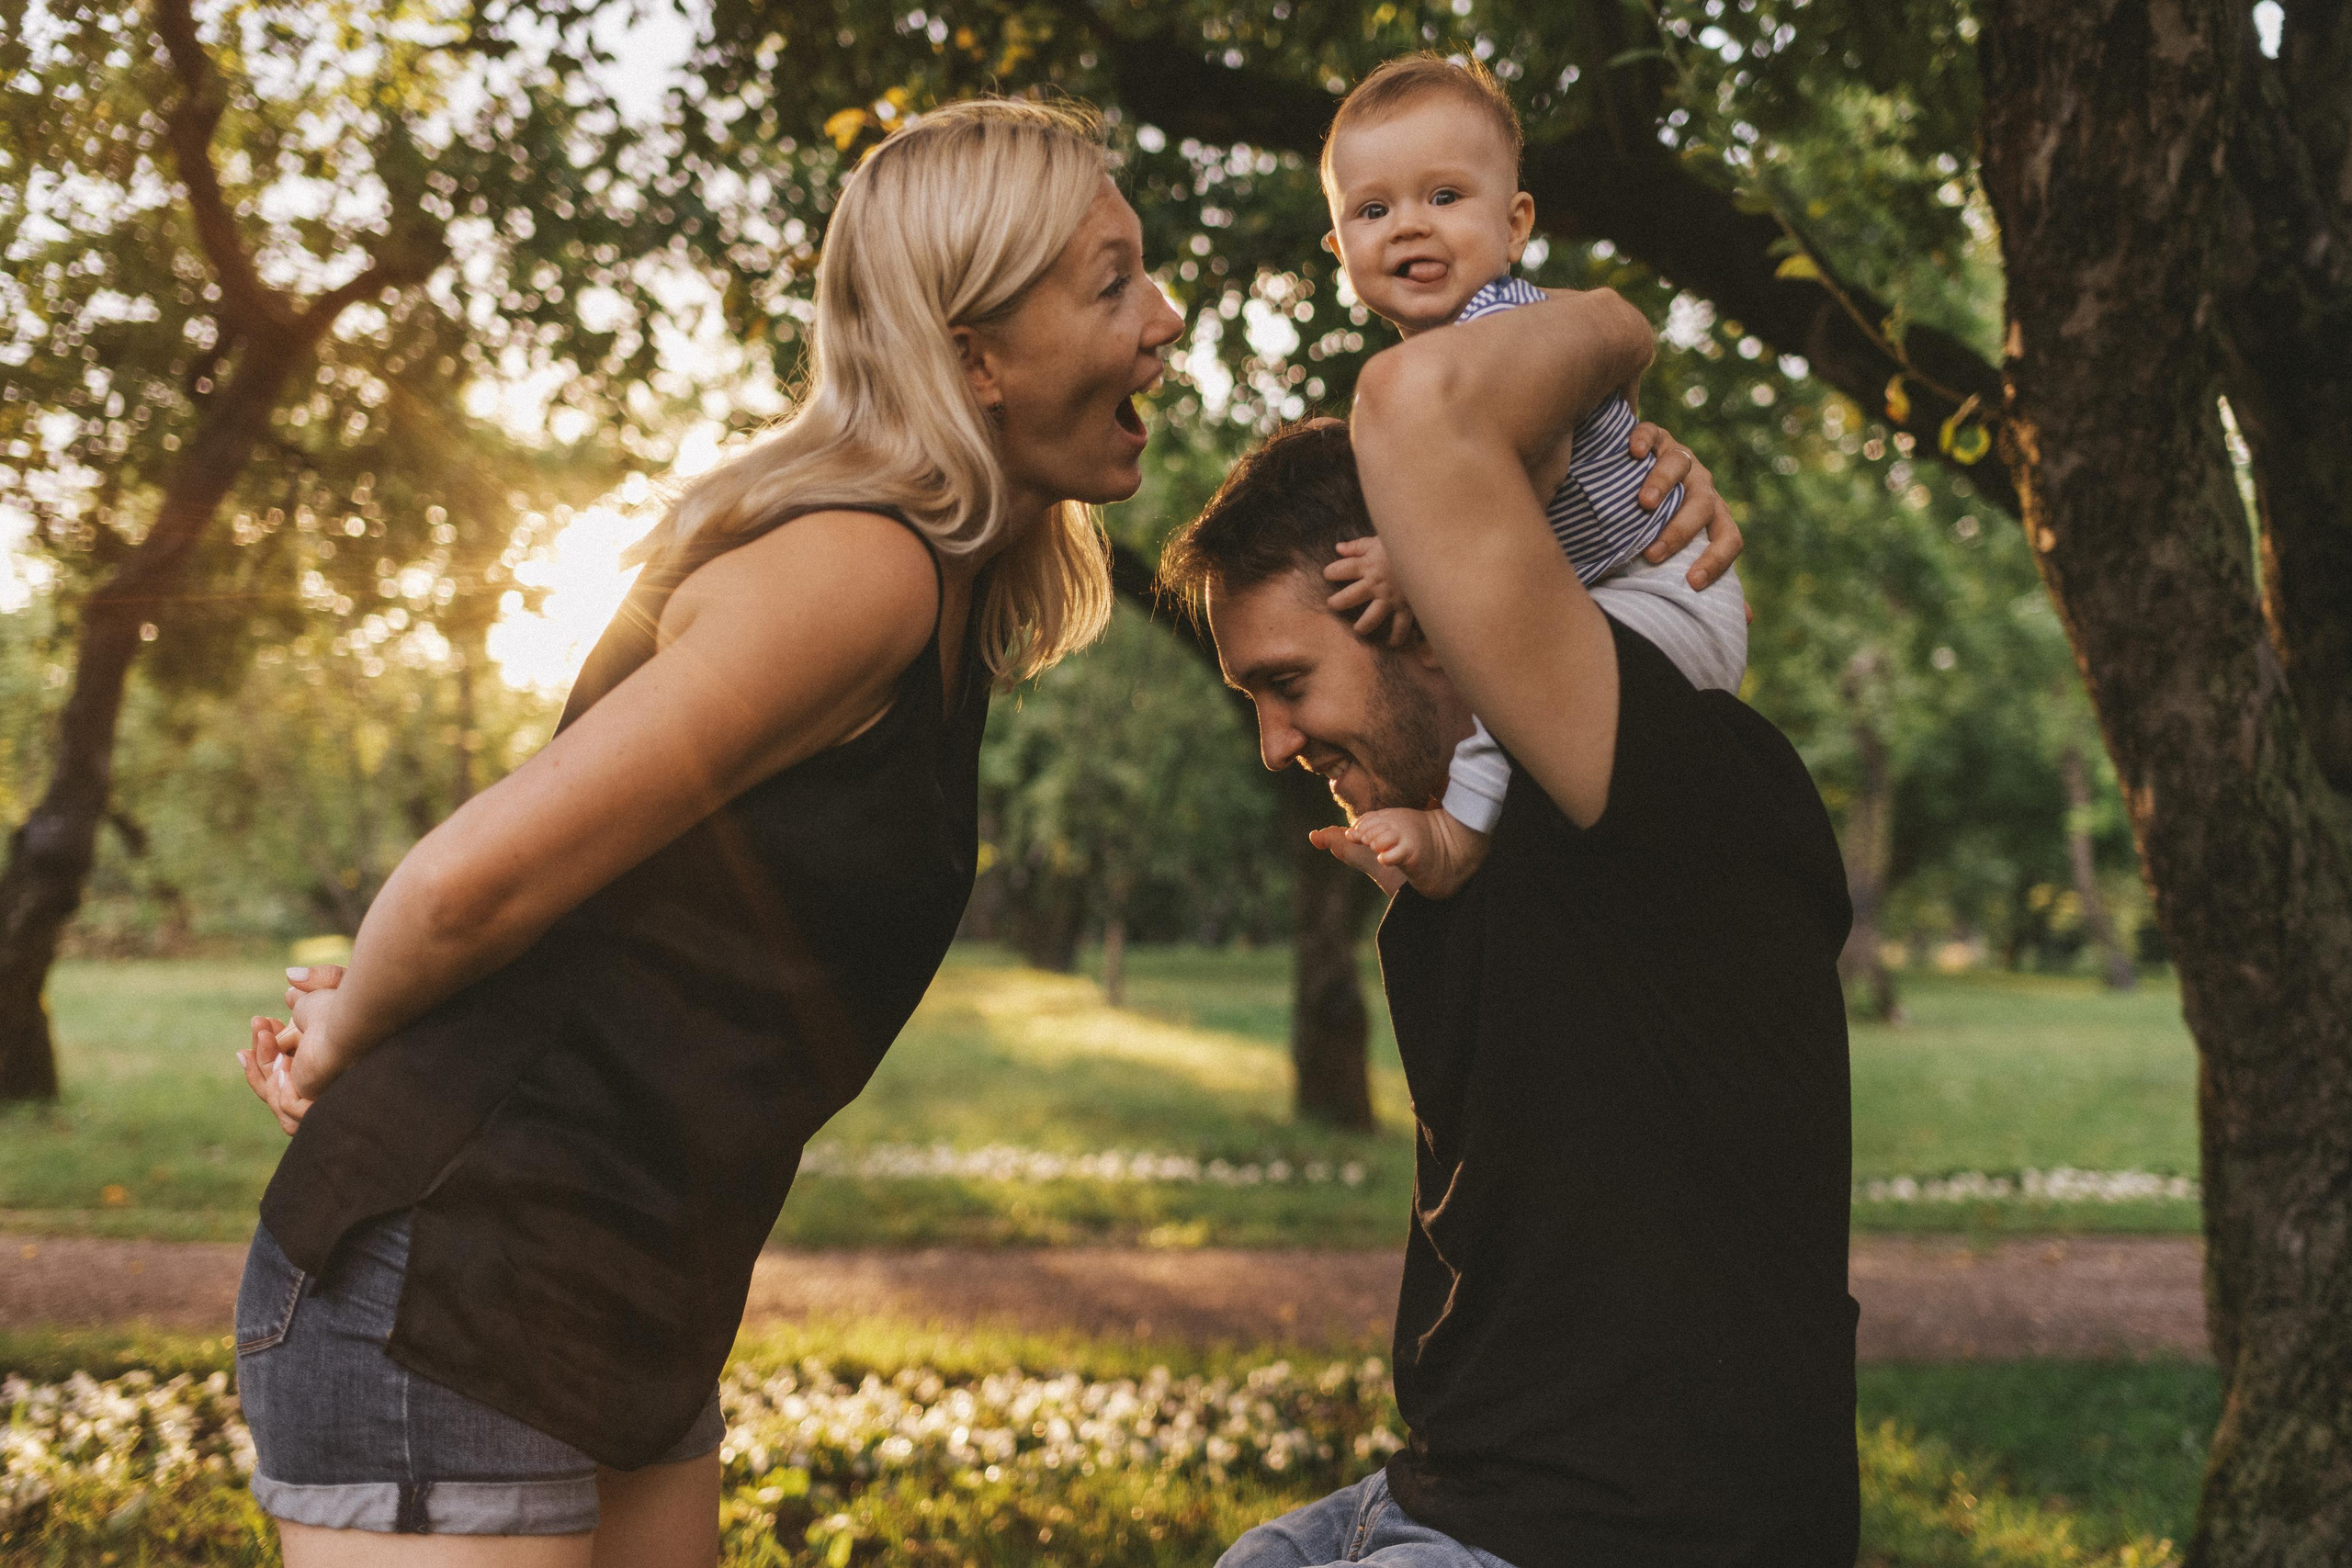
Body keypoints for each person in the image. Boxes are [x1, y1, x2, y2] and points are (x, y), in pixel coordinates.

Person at [228, 99, 1182, 1563]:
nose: (1163, 317)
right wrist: (350, 1025)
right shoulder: (861, 570)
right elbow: (475, 877)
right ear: (976, 357)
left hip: (627, 1294)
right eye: (1112, 281)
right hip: (460, 1275)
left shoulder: (944, 601)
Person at [1160, 290, 1857, 1564]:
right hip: (1444, 1493)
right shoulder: (1452, 853)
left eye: (1286, 683)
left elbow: (1420, 410)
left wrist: (1612, 337)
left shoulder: (1648, 775)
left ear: (1420, 609)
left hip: (1643, 1526)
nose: (1272, 744)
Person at [1314, 54, 1748, 897]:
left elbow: (1525, 477)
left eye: (1444, 197)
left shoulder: (1504, 324)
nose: (1408, 225)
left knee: (1495, 688)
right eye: (1373, 209)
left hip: (1658, 592)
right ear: (1339, 249)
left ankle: (1457, 839)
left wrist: (1412, 560)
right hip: (1630, 592)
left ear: (1515, 226)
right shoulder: (1453, 357)